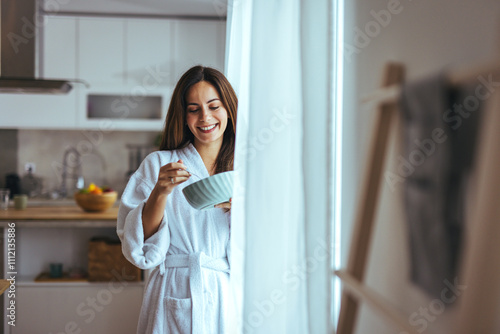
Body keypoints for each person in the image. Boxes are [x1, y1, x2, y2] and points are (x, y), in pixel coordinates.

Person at [117, 65, 237, 334]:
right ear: (183, 116)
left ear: (228, 108)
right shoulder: (159, 164)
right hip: (174, 285)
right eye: (194, 109)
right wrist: (160, 192)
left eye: (214, 106)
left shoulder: (242, 171)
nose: (205, 117)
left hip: (225, 292)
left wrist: (241, 210)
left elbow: (266, 246)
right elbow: (140, 246)